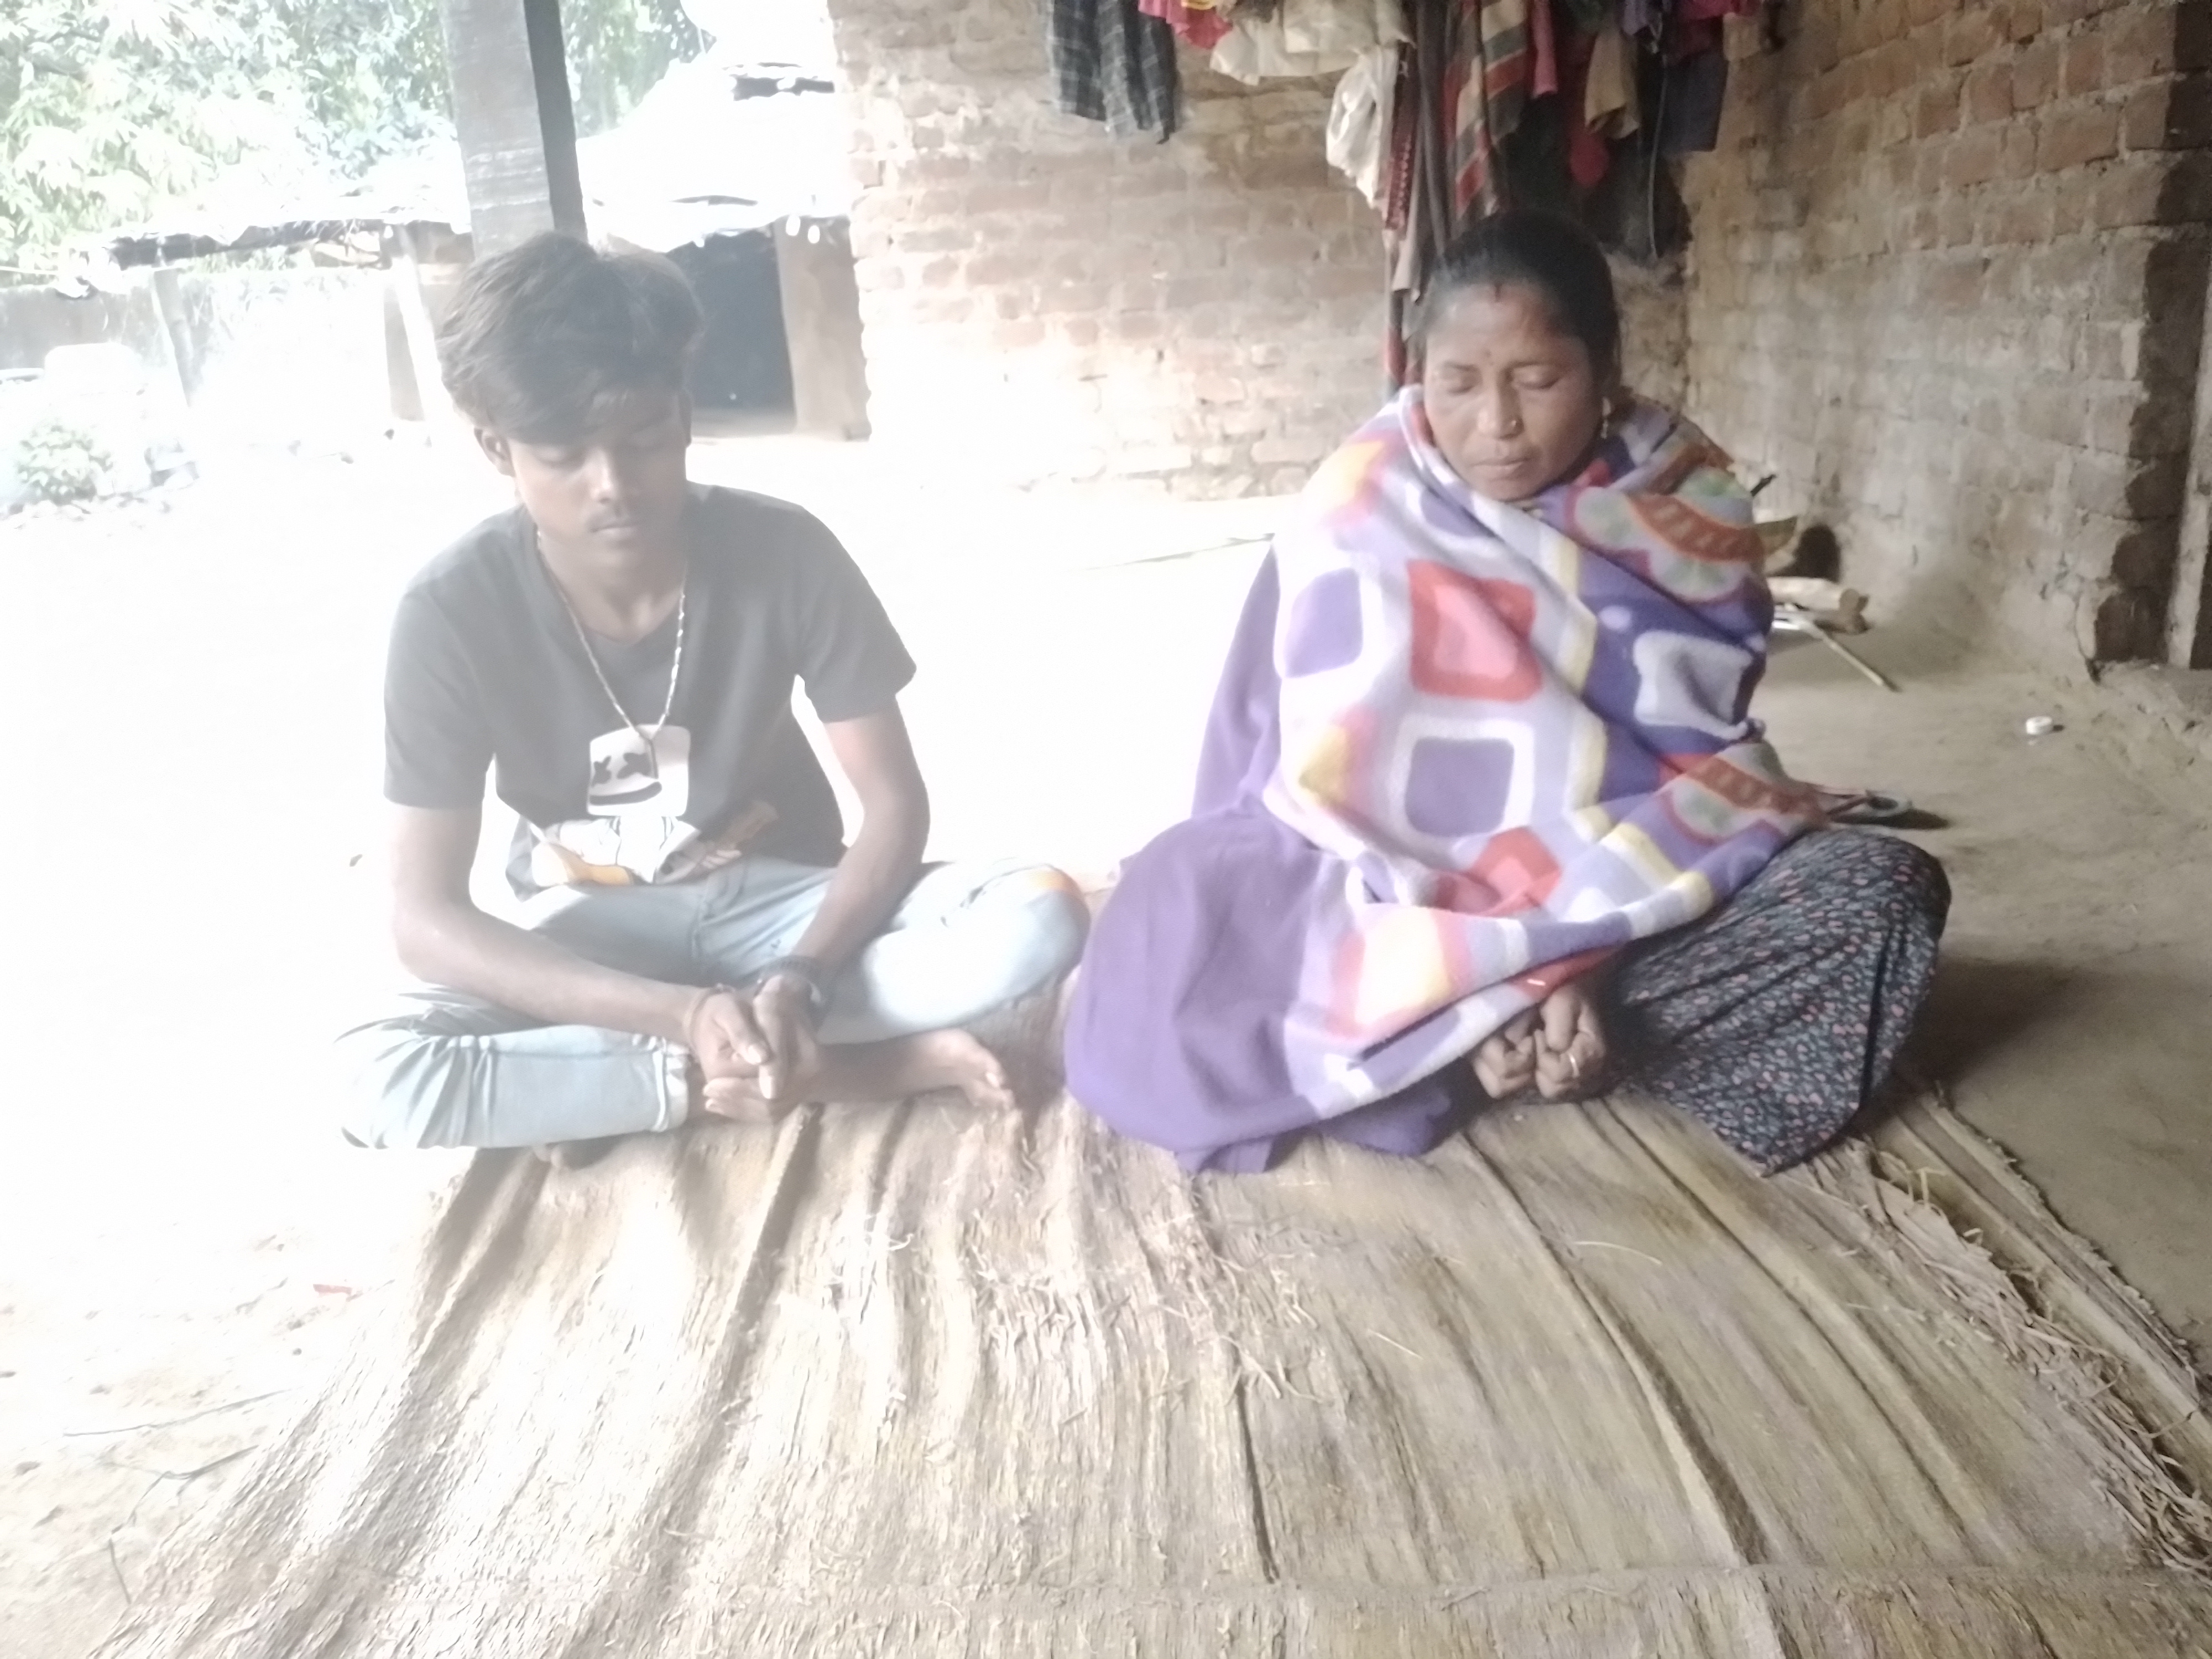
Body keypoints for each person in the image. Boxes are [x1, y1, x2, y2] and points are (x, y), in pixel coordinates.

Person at [1065, 210, 1948, 1176]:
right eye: (1458, 383)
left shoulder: (1685, 509)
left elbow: (1690, 766)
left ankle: (1473, 1041)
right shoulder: (1364, 499)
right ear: (1417, 373)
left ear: (1605, 370)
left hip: (1634, 882)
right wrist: (1506, 968)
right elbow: (1326, 794)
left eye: (1538, 380)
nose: (1497, 424)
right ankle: (1475, 1041)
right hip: (1391, 884)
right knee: (1168, 917)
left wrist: (1578, 957)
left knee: (1882, 895)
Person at [337, 234, 1087, 1156]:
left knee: (1037, 917)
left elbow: (894, 805)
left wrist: (802, 975)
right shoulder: (450, 612)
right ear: (499, 449)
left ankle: (630, 1077)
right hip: (593, 930)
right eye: (564, 455)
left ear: (684, 415)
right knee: (374, 1073)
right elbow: (422, 919)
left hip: (787, 908)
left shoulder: (785, 553)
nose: (613, 485)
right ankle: (835, 1071)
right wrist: (679, 1014)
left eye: (644, 439)